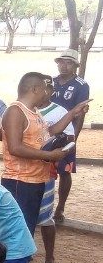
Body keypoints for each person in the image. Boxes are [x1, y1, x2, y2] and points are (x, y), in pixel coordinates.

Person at [0, 72, 88, 236]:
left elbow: (50, 132)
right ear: (34, 89)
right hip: (20, 180)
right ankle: (12, 261)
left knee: (28, 229)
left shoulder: (33, 112)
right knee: (19, 232)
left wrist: (72, 113)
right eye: (45, 90)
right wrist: (49, 156)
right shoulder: (15, 111)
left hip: (36, 179)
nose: (48, 93)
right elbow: (15, 148)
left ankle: (21, 260)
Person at [36, 92, 74, 263]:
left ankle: (49, 257)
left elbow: (70, 139)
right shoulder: (23, 110)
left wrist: (53, 148)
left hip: (45, 171)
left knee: (45, 216)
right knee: (24, 214)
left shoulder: (59, 111)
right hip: (21, 172)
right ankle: (26, 252)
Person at [51, 49, 90, 222]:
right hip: (47, 132)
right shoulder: (49, 82)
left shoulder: (81, 85)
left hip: (67, 135)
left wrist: (75, 136)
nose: (63, 66)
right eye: (61, 62)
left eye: (68, 63)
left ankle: (60, 207)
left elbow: (81, 113)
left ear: (75, 65)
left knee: (65, 171)